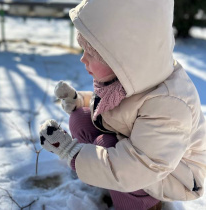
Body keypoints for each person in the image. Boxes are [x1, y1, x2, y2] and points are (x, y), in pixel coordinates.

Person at [39, 0, 206, 209]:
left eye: (91, 53)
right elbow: (122, 111)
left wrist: (70, 153)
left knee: (105, 147)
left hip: (174, 174)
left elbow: (139, 166)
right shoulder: (133, 75)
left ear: (120, 60)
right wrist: (80, 100)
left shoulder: (169, 105)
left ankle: (142, 204)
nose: (83, 59)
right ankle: (108, 180)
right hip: (144, 152)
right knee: (81, 119)